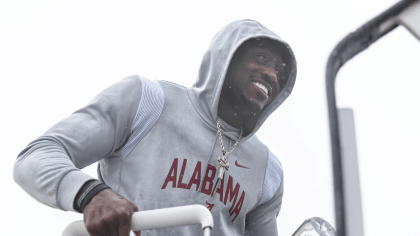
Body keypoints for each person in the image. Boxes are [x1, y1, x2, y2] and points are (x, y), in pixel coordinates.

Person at [13, 19, 297, 236]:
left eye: (280, 72)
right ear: (227, 57)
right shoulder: (147, 101)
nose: (272, 74)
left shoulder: (268, 171)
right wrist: (91, 194)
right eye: (261, 59)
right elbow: (36, 156)